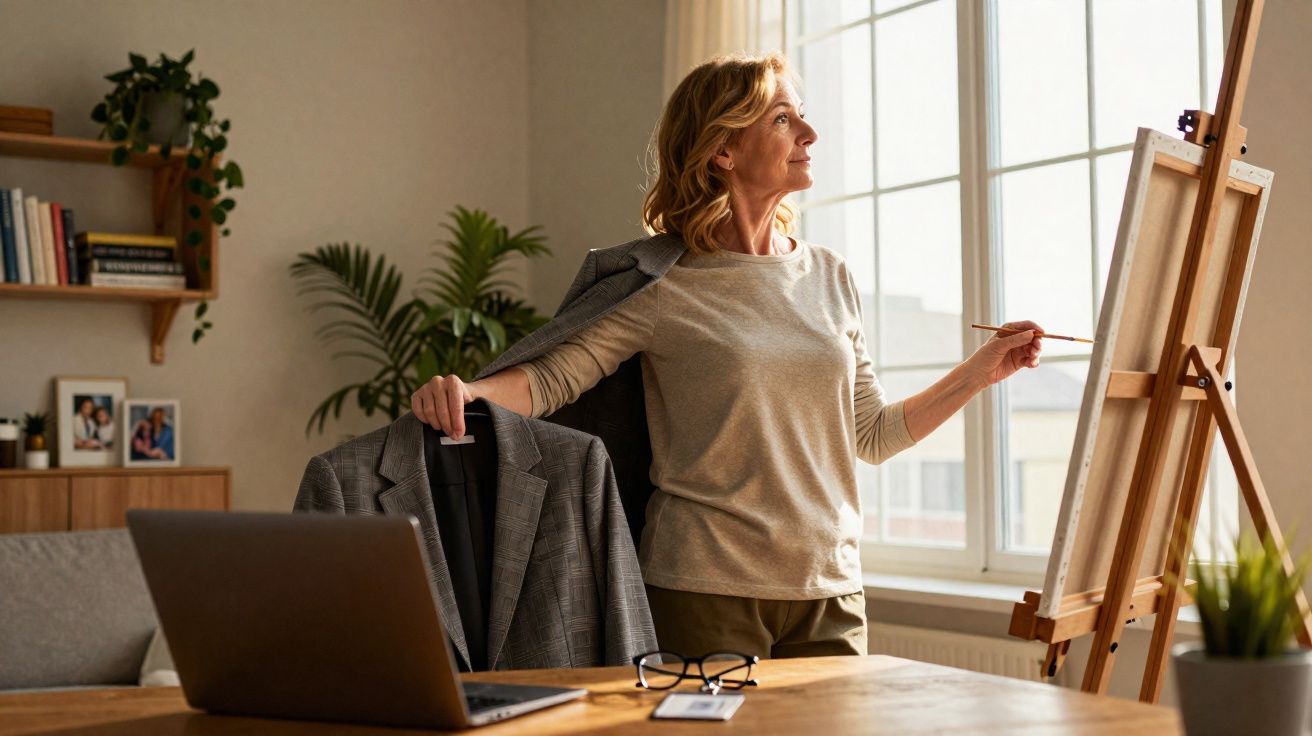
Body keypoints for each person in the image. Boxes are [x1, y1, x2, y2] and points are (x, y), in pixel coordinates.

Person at [410, 52, 1043, 659]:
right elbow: (553, 379)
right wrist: (469, 396)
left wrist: (982, 370)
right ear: (723, 150)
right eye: (783, 119)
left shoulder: (830, 274)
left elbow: (871, 434)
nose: (810, 132)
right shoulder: (663, 285)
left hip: (831, 589)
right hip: (703, 589)